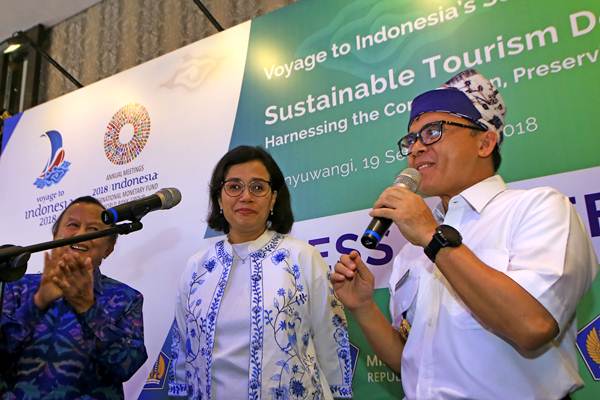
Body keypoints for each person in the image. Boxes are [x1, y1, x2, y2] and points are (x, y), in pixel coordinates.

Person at [331, 69, 598, 399]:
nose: (415, 149)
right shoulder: (410, 253)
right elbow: (414, 364)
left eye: (432, 132)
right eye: (411, 139)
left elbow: (532, 325)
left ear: (485, 142)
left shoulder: (539, 208)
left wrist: (432, 236)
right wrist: (362, 307)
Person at [168, 145, 352, 399]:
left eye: (257, 187)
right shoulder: (197, 267)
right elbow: (183, 350)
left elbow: (330, 339)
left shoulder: (301, 257)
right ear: (219, 198)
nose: (245, 196)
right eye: (234, 186)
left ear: (273, 198)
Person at [0, 196, 148, 399]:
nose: (80, 234)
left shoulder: (126, 298)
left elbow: (126, 365)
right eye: (73, 225)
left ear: (109, 248)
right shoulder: (14, 286)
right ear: (55, 236)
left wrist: (88, 308)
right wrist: (38, 302)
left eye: (94, 230)